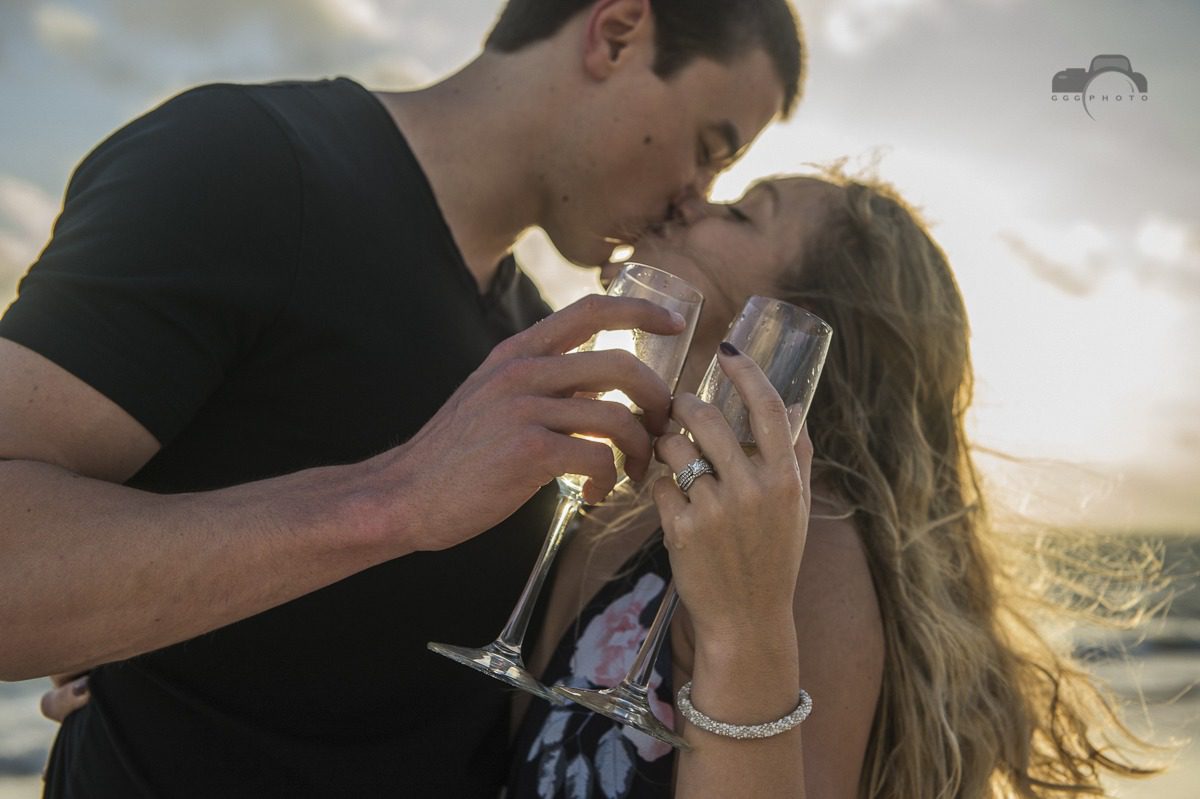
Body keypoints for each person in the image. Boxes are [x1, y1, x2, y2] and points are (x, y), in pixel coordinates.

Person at [0, 0, 804, 795]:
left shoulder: (531, 338)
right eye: (709, 149)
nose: (694, 195)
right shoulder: (240, 161)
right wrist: (392, 496)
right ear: (618, 32)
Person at [506, 172, 1164, 797]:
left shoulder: (807, 555)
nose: (690, 201)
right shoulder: (628, 499)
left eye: (740, 213)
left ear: (792, 323)